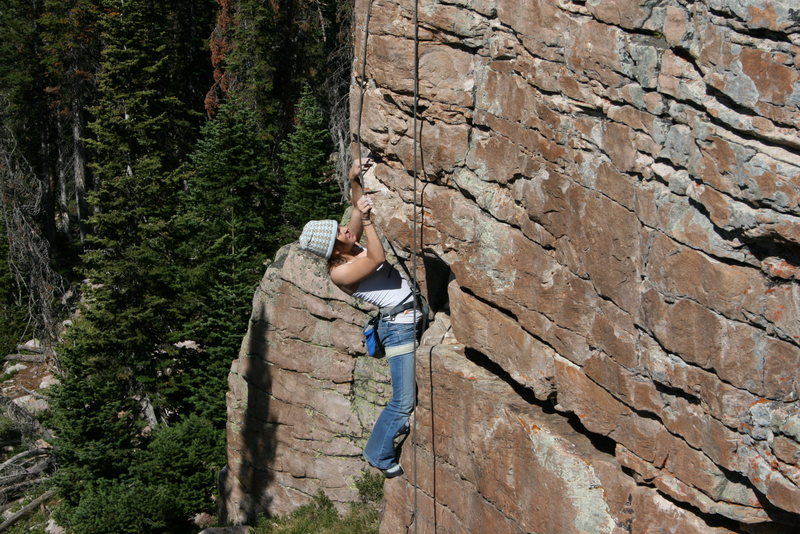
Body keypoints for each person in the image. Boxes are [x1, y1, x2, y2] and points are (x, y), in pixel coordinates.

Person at [298, 158, 422, 478]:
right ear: (334, 246)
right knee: (404, 400)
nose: (346, 228)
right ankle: (377, 454)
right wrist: (367, 224)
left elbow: (356, 208)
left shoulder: (346, 248)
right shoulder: (341, 272)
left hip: (406, 317)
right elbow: (378, 258)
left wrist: (355, 179)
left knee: (408, 395)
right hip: (399, 328)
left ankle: (379, 450)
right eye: (341, 231)